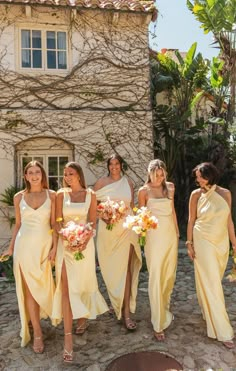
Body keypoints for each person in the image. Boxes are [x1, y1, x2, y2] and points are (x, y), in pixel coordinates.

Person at [52, 162, 108, 363]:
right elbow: (57, 221)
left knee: (84, 283)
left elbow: (92, 221)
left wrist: (83, 239)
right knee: (66, 289)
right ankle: (68, 340)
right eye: (65, 174)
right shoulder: (60, 195)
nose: (67, 177)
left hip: (85, 245)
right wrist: (66, 236)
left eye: (71, 173)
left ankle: (82, 318)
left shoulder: (91, 195)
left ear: (79, 175)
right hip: (65, 246)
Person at [2, 160, 57, 352]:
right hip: (23, 248)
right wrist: (10, 248)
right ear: (25, 176)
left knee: (44, 286)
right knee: (30, 291)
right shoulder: (19, 197)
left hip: (43, 248)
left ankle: (42, 319)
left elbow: (54, 225)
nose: (34, 176)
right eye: (30, 173)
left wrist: (55, 248)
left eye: (37, 172)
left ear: (42, 174)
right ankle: (38, 334)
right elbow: (18, 225)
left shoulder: (52, 195)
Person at [187, 162, 236, 349]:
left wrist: (234, 243)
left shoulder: (225, 193)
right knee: (213, 283)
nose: (197, 179)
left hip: (221, 242)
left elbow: (229, 220)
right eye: (196, 176)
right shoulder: (195, 195)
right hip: (202, 241)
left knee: (210, 280)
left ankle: (208, 311)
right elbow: (192, 220)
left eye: (200, 176)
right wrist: (189, 243)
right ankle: (223, 331)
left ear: (210, 176)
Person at [94, 154, 142, 331]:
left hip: (126, 230)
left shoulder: (128, 183)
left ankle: (126, 313)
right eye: (111, 164)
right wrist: (104, 216)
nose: (114, 166)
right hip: (108, 231)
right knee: (111, 270)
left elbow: (130, 206)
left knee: (126, 269)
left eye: (117, 163)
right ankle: (116, 302)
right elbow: (94, 205)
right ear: (108, 166)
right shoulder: (100, 183)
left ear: (122, 165)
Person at [138, 159, 179, 341]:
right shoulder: (143, 191)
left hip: (170, 235)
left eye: (162, 174)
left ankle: (164, 309)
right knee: (156, 275)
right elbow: (141, 215)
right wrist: (142, 233)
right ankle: (158, 323)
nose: (159, 178)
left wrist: (177, 233)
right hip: (154, 237)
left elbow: (173, 211)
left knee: (169, 275)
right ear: (150, 174)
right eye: (156, 175)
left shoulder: (170, 187)